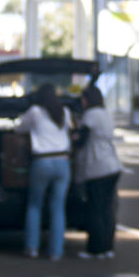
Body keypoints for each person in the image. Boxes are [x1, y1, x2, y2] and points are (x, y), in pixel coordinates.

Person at [17, 83, 71, 259]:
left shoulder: (34, 111)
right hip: (63, 162)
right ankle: (56, 251)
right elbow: (71, 129)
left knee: (34, 205)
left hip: (42, 162)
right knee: (58, 208)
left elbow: (19, 128)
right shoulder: (64, 111)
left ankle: (32, 248)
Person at [73, 85, 122, 259]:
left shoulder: (91, 115)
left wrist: (74, 137)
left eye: (83, 99)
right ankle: (107, 248)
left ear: (89, 100)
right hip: (113, 166)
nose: (82, 102)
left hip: (97, 168)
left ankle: (94, 249)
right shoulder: (105, 114)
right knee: (108, 210)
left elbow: (81, 140)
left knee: (95, 210)